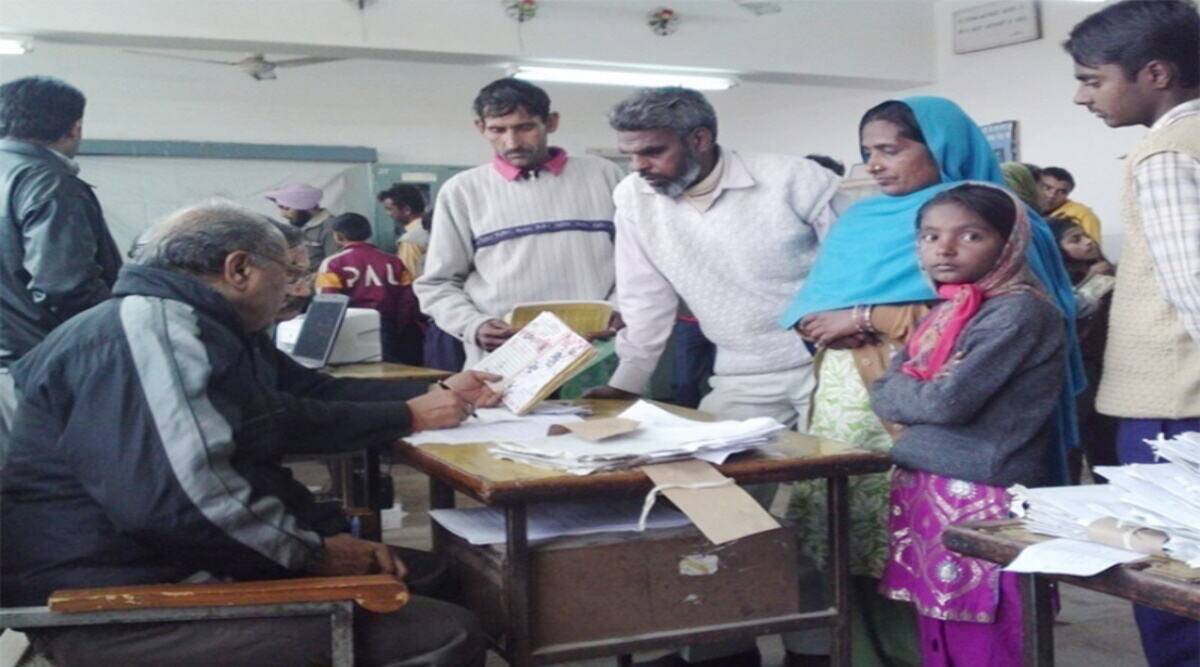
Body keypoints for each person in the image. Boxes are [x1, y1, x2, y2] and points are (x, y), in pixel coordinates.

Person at [0, 203, 500, 666]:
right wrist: (316, 553)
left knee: (435, 575)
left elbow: (307, 396)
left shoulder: (203, 325)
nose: (297, 290)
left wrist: (432, 393)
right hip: (115, 600)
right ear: (239, 269)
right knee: (447, 632)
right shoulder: (155, 335)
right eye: (290, 273)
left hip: (159, 559)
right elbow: (184, 503)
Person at [779, 96, 1084, 667]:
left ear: (940, 146)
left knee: (958, 566)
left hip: (962, 424)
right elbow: (819, 300)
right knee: (864, 533)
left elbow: (995, 314)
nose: (875, 164)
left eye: (891, 149)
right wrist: (813, 321)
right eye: (868, 152)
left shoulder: (996, 215)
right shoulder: (862, 222)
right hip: (851, 399)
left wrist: (868, 317)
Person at [588, 86, 840, 667]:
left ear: (700, 139)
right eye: (630, 154)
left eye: (652, 151)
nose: (638, 166)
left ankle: (816, 651)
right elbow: (645, 297)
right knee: (707, 511)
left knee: (824, 519)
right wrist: (628, 382)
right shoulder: (635, 197)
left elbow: (856, 271)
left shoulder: (794, 180)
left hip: (831, 368)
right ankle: (721, 648)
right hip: (743, 370)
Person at [873, 183, 1067, 667]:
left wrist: (906, 391)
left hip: (984, 492)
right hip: (931, 485)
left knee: (987, 630)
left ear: (1009, 243)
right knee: (939, 621)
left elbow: (947, 402)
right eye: (930, 236)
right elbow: (888, 388)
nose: (945, 248)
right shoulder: (951, 310)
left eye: (971, 235)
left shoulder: (1018, 311)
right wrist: (907, 390)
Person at [1065, 1, 1200, 664]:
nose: (1081, 96)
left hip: (1174, 406)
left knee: (1172, 582)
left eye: (1093, 80)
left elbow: (1194, 287)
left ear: (1156, 73)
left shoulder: (1165, 152)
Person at [414, 78, 624, 367]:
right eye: (498, 130)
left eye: (525, 127)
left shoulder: (603, 176)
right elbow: (437, 283)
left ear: (551, 122)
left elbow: (636, 266)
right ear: (480, 128)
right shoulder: (462, 191)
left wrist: (620, 309)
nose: (512, 142)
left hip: (599, 354)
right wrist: (474, 325)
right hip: (506, 361)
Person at [0, 76, 122, 460]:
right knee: (53, 480)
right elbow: (64, 285)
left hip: (10, 361)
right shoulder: (48, 180)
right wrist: (124, 332)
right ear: (75, 127)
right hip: (35, 366)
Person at [1048, 217, 1119, 479]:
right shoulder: (1057, 282)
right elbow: (1069, 311)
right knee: (1076, 433)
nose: (1088, 242)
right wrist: (1092, 281)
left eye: (1086, 236)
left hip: (1110, 364)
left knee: (1106, 436)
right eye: (1075, 240)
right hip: (1078, 367)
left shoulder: (1113, 272)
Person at [316, 212, 423, 364]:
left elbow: (328, 304)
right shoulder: (394, 262)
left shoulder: (333, 263)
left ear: (338, 237)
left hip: (351, 330)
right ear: (369, 233)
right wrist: (398, 327)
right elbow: (408, 300)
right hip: (390, 328)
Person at [266, 182, 338, 268]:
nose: (283, 215)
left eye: (286, 208)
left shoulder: (331, 228)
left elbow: (336, 267)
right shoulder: (297, 224)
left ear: (307, 207)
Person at [1036, 166, 1104, 243]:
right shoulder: (1027, 210)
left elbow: (1092, 248)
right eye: (1047, 188)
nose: (1052, 195)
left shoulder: (1083, 216)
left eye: (1061, 192)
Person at [377, 183, 430, 278]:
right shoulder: (435, 228)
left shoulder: (410, 240)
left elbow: (410, 277)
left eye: (389, 209)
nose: (388, 213)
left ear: (407, 210)